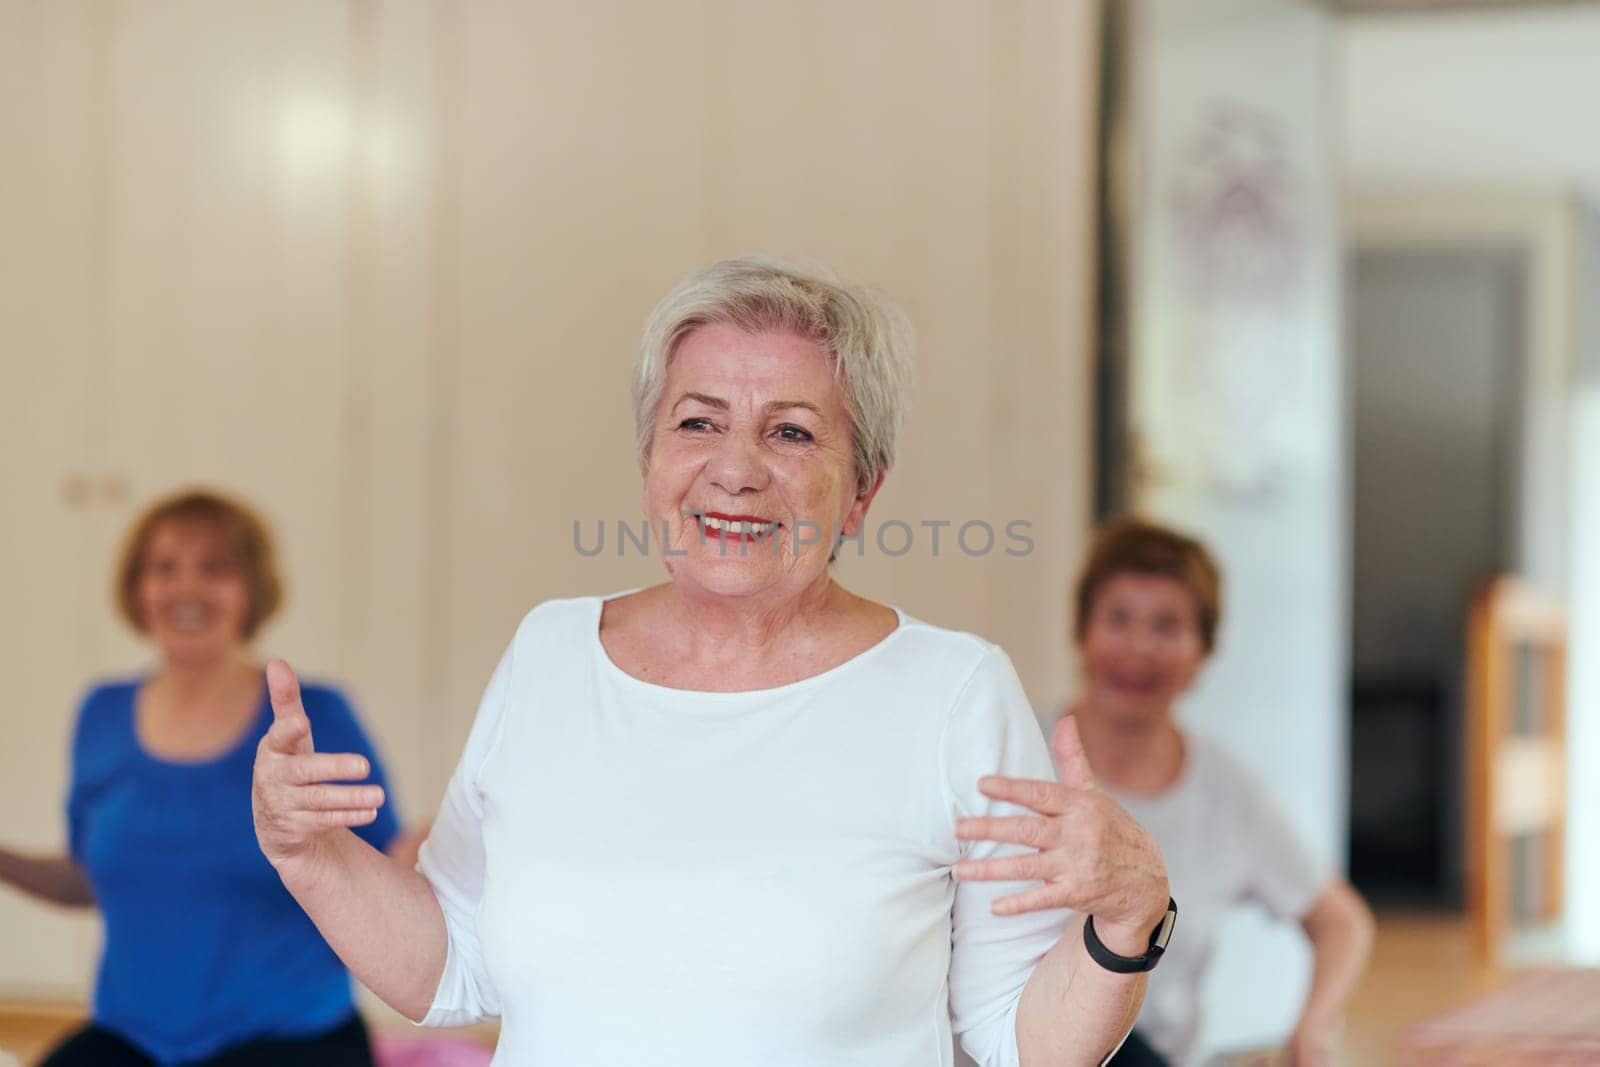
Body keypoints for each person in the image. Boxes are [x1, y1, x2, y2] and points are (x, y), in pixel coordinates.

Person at [252, 257, 1176, 1066]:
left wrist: (1132, 912)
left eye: (791, 432)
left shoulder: (953, 693)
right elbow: (451, 963)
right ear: (650, 456)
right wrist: (308, 855)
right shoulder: (548, 652)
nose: (735, 469)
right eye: (697, 422)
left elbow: (1023, 1040)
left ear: (861, 491)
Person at [0, 489, 418, 1067]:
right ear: (138, 589)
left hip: (290, 1037)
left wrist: (439, 851)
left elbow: (385, 872)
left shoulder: (311, 715)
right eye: (164, 567)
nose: (186, 588)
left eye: (214, 567)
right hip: (131, 1040)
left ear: (251, 590)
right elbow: (91, 876)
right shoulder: (100, 715)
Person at [1042, 518, 1374, 1067]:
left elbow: (1342, 922)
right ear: (1082, 632)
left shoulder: (1227, 791)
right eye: (1118, 620)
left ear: (1203, 652)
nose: (1139, 648)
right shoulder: (1011, 751)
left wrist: (1312, 1031)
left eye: (1168, 626)